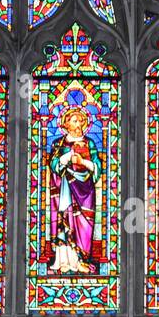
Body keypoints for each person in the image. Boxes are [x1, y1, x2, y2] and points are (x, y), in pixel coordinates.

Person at [49, 106, 100, 274]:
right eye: (74, 120)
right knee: (65, 220)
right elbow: (54, 165)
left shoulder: (90, 143)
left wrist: (83, 162)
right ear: (65, 124)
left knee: (84, 224)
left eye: (81, 120)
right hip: (65, 188)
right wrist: (67, 157)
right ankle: (64, 260)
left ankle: (81, 260)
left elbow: (97, 167)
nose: (79, 124)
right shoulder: (59, 144)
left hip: (85, 191)